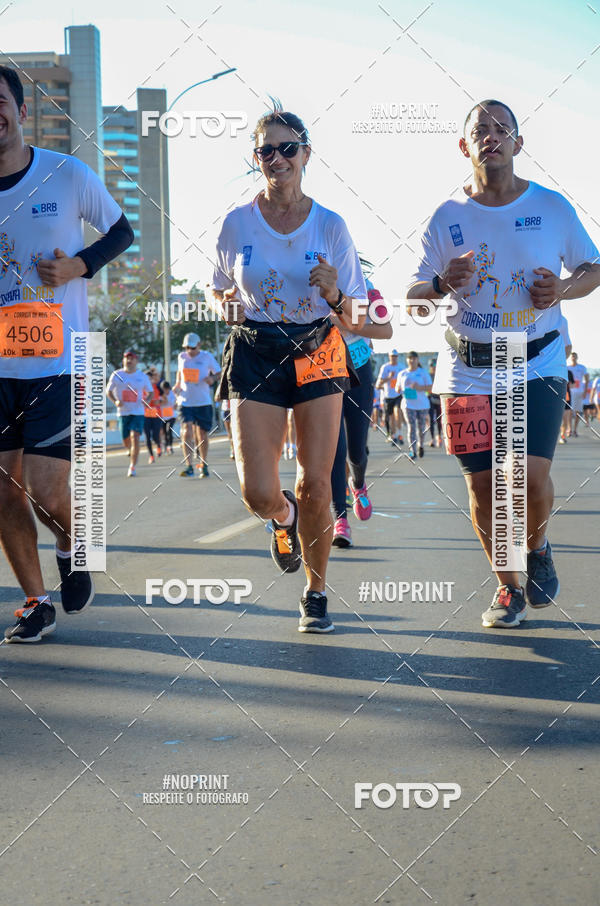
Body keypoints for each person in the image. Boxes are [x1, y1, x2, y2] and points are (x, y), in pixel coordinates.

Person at [407, 98, 600, 629]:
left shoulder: (552, 206)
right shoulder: (448, 217)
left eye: (502, 129)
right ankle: (508, 586)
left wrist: (562, 288)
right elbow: (414, 296)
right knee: (484, 488)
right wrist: (444, 282)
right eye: (480, 130)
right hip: (466, 366)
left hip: (535, 359)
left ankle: (536, 549)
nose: (491, 137)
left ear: (519, 142)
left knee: (530, 479)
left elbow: (594, 266)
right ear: (463, 145)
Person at [209, 104, 367, 633]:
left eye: (287, 148)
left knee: (316, 485)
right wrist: (223, 306)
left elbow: (361, 314)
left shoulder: (330, 225)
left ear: (305, 155)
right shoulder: (236, 223)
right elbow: (217, 289)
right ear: (256, 158)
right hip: (255, 350)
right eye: (266, 150)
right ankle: (282, 521)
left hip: (318, 349)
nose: (277, 158)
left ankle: (315, 592)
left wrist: (336, 293)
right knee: (258, 492)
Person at [0, 66, 133, 642]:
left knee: (51, 494)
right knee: (4, 489)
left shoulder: (66, 173)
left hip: (61, 364)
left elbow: (122, 233)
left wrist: (82, 265)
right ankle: (34, 601)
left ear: (20, 111)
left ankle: (74, 545)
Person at [331, 278, 392, 547]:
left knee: (356, 449)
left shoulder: (365, 286)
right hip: (323, 373)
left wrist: (342, 323)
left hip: (359, 370)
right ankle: (339, 520)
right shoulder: (309, 282)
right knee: (335, 448)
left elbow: (386, 330)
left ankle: (358, 484)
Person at [173, 332, 221, 478]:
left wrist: (212, 378)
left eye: (192, 348)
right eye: (187, 347)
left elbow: (219, 372)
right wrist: (177, 385)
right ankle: (189, 466)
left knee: (202, 434)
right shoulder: (182, 357)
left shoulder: (207, 357)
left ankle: (203, 463)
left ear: (199, 345)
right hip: (185, 400)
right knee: (186, 431)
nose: (190, 351)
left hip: (203, 401)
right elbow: (180, 374)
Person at [106, 351, 152, 477]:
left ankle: (132, 466)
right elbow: (108, 391)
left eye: (132, 359)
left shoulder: (142, 376)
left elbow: (150, 392)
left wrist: (146, 400)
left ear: (136, 361)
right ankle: (129, 449)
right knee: (126, 439)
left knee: (135, 436)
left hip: (138, 412)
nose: (129, 361)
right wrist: (115, 401)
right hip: (123, 412)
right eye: (127, 358)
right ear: (123, 360)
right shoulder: (117, 374)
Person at [395, 352, 432, 459]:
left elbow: (430, 387)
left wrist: (419, 387)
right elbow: (397, 388)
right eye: (410, 358)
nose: (412, 360)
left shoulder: (423, 372)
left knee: (421, 428)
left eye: (414, 358)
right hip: (407, 404)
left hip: (422, 405)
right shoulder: (402, 373)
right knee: (411, 427)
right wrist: (399, 389)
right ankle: (412, 450)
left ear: (417, 360)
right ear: (407, 360)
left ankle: (420, 445)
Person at [376, 350, 404, 444]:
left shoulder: (401, 367)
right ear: (389, 357)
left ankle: (400, 433)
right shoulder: (385, 367)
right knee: (391, 417)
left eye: (395, 356)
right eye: (392, 356)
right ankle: (394, 435)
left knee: (397, 412)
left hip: (398, 395)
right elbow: (379, 383)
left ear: (397, 357)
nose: (394, 358)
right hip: (388, 396)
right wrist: (389, 377)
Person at [143, 367, 163, 462]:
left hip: (156, 414)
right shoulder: (140, 389)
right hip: (145, 415)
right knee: (147, 436)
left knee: (155, 436)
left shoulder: (157, 387)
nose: (148, 381)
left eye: (149, 379)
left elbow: (164, 399)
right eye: (146, 379)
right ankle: (151, 456)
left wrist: (158, 401)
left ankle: (158, 445)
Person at [567, 352, 589, 436]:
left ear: (577, 357)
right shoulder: (567, 368)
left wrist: (585, 391)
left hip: (579, 392)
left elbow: (587, 379)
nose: (573, 358)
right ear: (570, 358)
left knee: (578, 412)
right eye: (572, 356)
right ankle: (569, 429)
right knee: (568, 411)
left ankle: (575, 429)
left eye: (574, 356)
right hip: (570, 393)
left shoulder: (582, 367)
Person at [427, 358, 442, 447]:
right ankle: (432, 438)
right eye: (432, 366)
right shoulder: (427, 375)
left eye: (435, 366)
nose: (434, 367)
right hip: (430, 399)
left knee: (439, 419)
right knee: (431, 420)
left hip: (439, 399)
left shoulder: (440, 376)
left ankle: (439, 436)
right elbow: (426, 388)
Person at [159, 380, 176, 454]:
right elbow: (159, 403)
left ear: (169, 388)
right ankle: (165, 446)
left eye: (166, 389)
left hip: (172, 415)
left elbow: (173, 403)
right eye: (163, 389)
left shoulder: (172, 394)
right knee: (164, 432)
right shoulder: (160, 395)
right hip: (163, 416)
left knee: (169, 430)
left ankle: (170, 446)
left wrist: (166, 399)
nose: (165, 391)